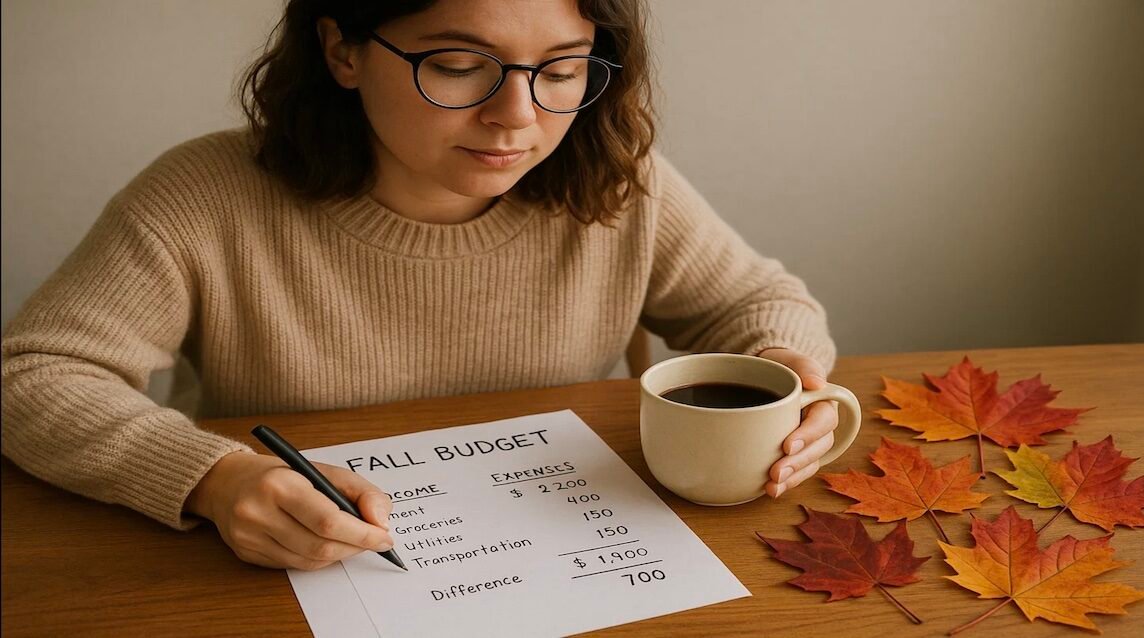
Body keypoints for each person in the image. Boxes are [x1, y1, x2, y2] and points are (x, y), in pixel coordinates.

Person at [0, 0, 839, 571]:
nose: (517, 115)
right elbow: (34, 375)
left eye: (561, 68)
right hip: (301, 576)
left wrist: (787, 372)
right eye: (459, 64)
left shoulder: (620, 178)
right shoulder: (204, 195)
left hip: (581, 552)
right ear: (344, 51)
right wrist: (211, 478)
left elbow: (756, 305)